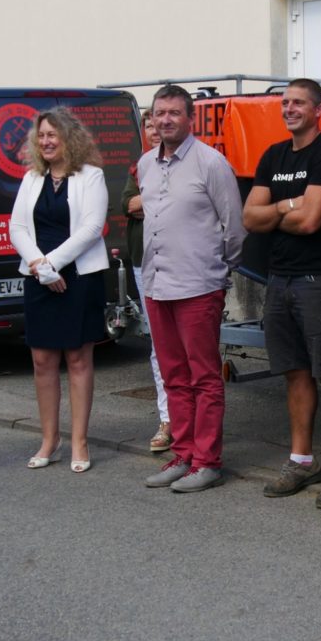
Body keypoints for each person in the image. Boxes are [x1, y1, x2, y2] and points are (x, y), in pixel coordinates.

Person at [242, 79, 321, 507]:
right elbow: (249, 218)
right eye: (285, 102)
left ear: (318, 109)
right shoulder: (274, 155)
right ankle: (302, 460)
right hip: (279, 280)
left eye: (299, 103)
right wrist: (287, 206)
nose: (290, 109)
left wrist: (278, 208)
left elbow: (312, 221)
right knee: (293, 371)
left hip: (319, 280)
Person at [139, 84, 246, 493]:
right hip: (157, 283)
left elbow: (234, 229)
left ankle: (207, 461)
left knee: (204, 377)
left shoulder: (211, 163)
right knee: (173, 376)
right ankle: (182, 454)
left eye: (174, 113)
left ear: (190, 118)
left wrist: (216, 269)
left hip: (198, 285)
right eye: (159, 113)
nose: (165, 120)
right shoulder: (147, 163)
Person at [9, 108, 108, 474]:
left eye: (53, 135)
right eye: (42, 136)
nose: (47, 141)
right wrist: (40, 267)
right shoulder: (31, 178)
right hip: (39, 278)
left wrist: (53, 265)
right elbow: (17, 227)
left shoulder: (91, 176)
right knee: (42, 362)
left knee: (78, 360)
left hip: (78, 276)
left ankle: (79, 440)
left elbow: (92, 227)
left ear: (70, 138)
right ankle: (50, 439)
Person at [121, 110, 171, 453]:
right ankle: (168, 418)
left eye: (159, 124)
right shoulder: (139, 166)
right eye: (148, 125)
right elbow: (129, 204)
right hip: (144, 264)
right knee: (159, 346)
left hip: (182, 264)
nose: (154, 130)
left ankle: (192, 421)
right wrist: (158, 198)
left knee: (186, 347)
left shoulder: (191, 162)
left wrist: (146, 201)